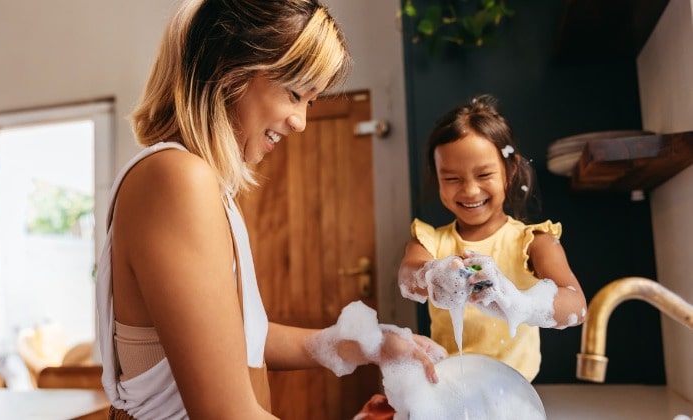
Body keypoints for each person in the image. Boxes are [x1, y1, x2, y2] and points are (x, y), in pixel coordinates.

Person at [95, 0, 445, 419]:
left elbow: (240, 338)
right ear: (229, 69)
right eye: (295, 93)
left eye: (310, 102)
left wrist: (367, 343)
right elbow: (226, 413)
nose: (300, 121)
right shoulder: (176, 179)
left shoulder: (203, 183)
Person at [397, 94, 588, 382]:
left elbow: (576, 306)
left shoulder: (533, 242)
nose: (470, 191)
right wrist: (432, 275)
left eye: (484, 174)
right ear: (436, 178)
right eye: (452, 179)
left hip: (513, 390)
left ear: (510, 171)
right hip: (449, 385)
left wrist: (519, 304)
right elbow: (408, 277)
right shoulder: (429, 241)